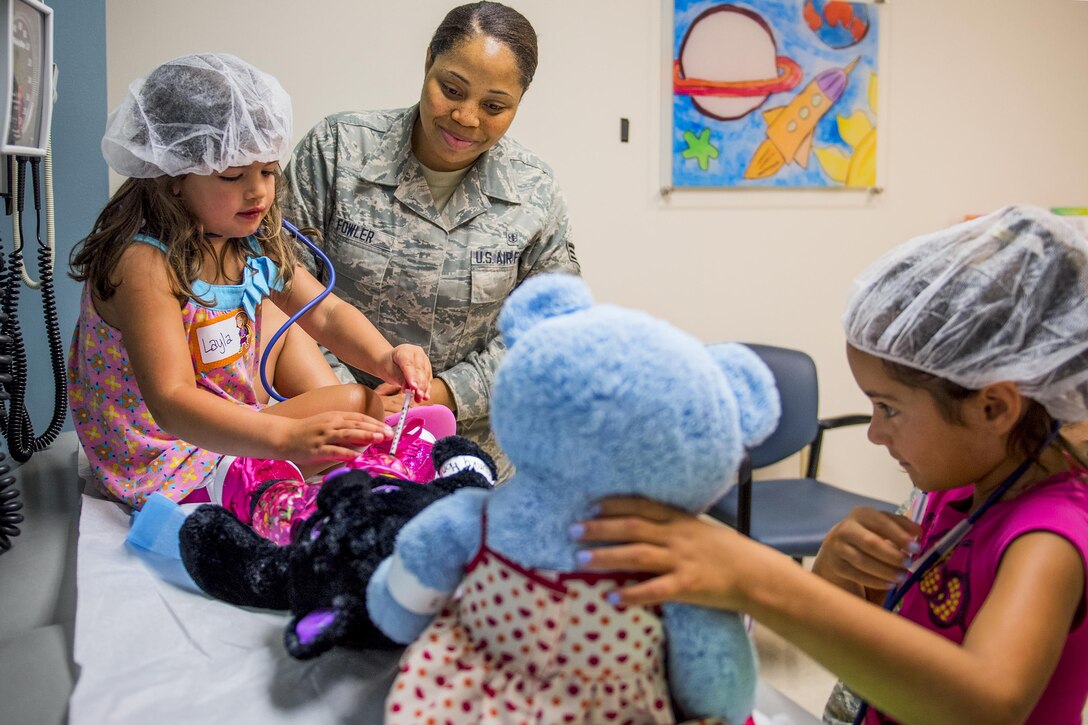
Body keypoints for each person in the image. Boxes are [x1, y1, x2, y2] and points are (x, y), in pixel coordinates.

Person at [571, 206, 1088, 723]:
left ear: (994, 407)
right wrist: (839, 576)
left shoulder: (1048, 538)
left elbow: (986, 706)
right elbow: (903, 650)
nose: (874, 432)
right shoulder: (956, 495)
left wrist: (762, 582)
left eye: (889, 408)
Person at [68, 53, 437, 545]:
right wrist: (286, 439)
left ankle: (354, 440)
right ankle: (345, 450)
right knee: (354, 404)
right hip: (169, 452)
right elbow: (173, 402)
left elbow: (325, 313)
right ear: (173, 175)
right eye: (233, 176)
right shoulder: (144, 264)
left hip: (224, 417)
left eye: (267, 171)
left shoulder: (252, 239)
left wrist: (386, 358)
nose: (258, 192)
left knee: (306, 341)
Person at [282, 1, 581, 478]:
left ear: (520, 100)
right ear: (428, 64)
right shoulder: (337, 151)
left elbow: (548, 336)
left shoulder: (534, 192)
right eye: (451, 89)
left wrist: (440, 393)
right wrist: (350, 401)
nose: (465, 117)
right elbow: (278, 287)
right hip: (329, 443)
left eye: (494, 106)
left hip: (471, 460)